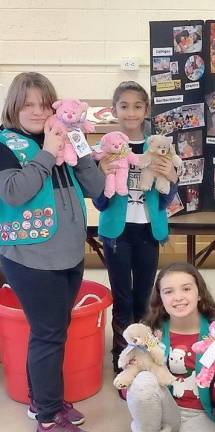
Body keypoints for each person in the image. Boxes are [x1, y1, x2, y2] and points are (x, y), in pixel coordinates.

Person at [0, 72, 105, 431]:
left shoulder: (66, 140)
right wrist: (47, 151)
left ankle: (43, 401)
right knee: (48, 333)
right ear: (13, 106)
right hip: (30, 258)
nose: (35, 110)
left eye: (43, 104)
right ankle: (47, 416)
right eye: (27, 103)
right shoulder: (5, 143)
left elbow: (99, 191)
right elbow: (14, 192)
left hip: (69, 254)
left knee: (53, 331)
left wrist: (80, 148)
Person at [93, 81, 179, 373]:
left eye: (137, 106)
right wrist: (101, 175)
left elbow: (166, 198)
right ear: (114, 109)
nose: (131, 113)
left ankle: (143, 355)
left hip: (147, 230)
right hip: (117, 232)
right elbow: (99, 201)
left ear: (146, 110)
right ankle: (122, 356)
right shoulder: (105, 148)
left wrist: (172, 178)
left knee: (144, 295)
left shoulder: (158, 145)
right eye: (124, 106)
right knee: (122, 296)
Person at [125, 262, 215, 432]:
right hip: (162, 410)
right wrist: (134, 375)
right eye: (169, 292)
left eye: (186, 289)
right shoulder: (150, 332)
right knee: (142, 382)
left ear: (199, 293)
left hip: (201, 413)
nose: (178, 297)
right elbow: (133, 395)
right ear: (160, 298)